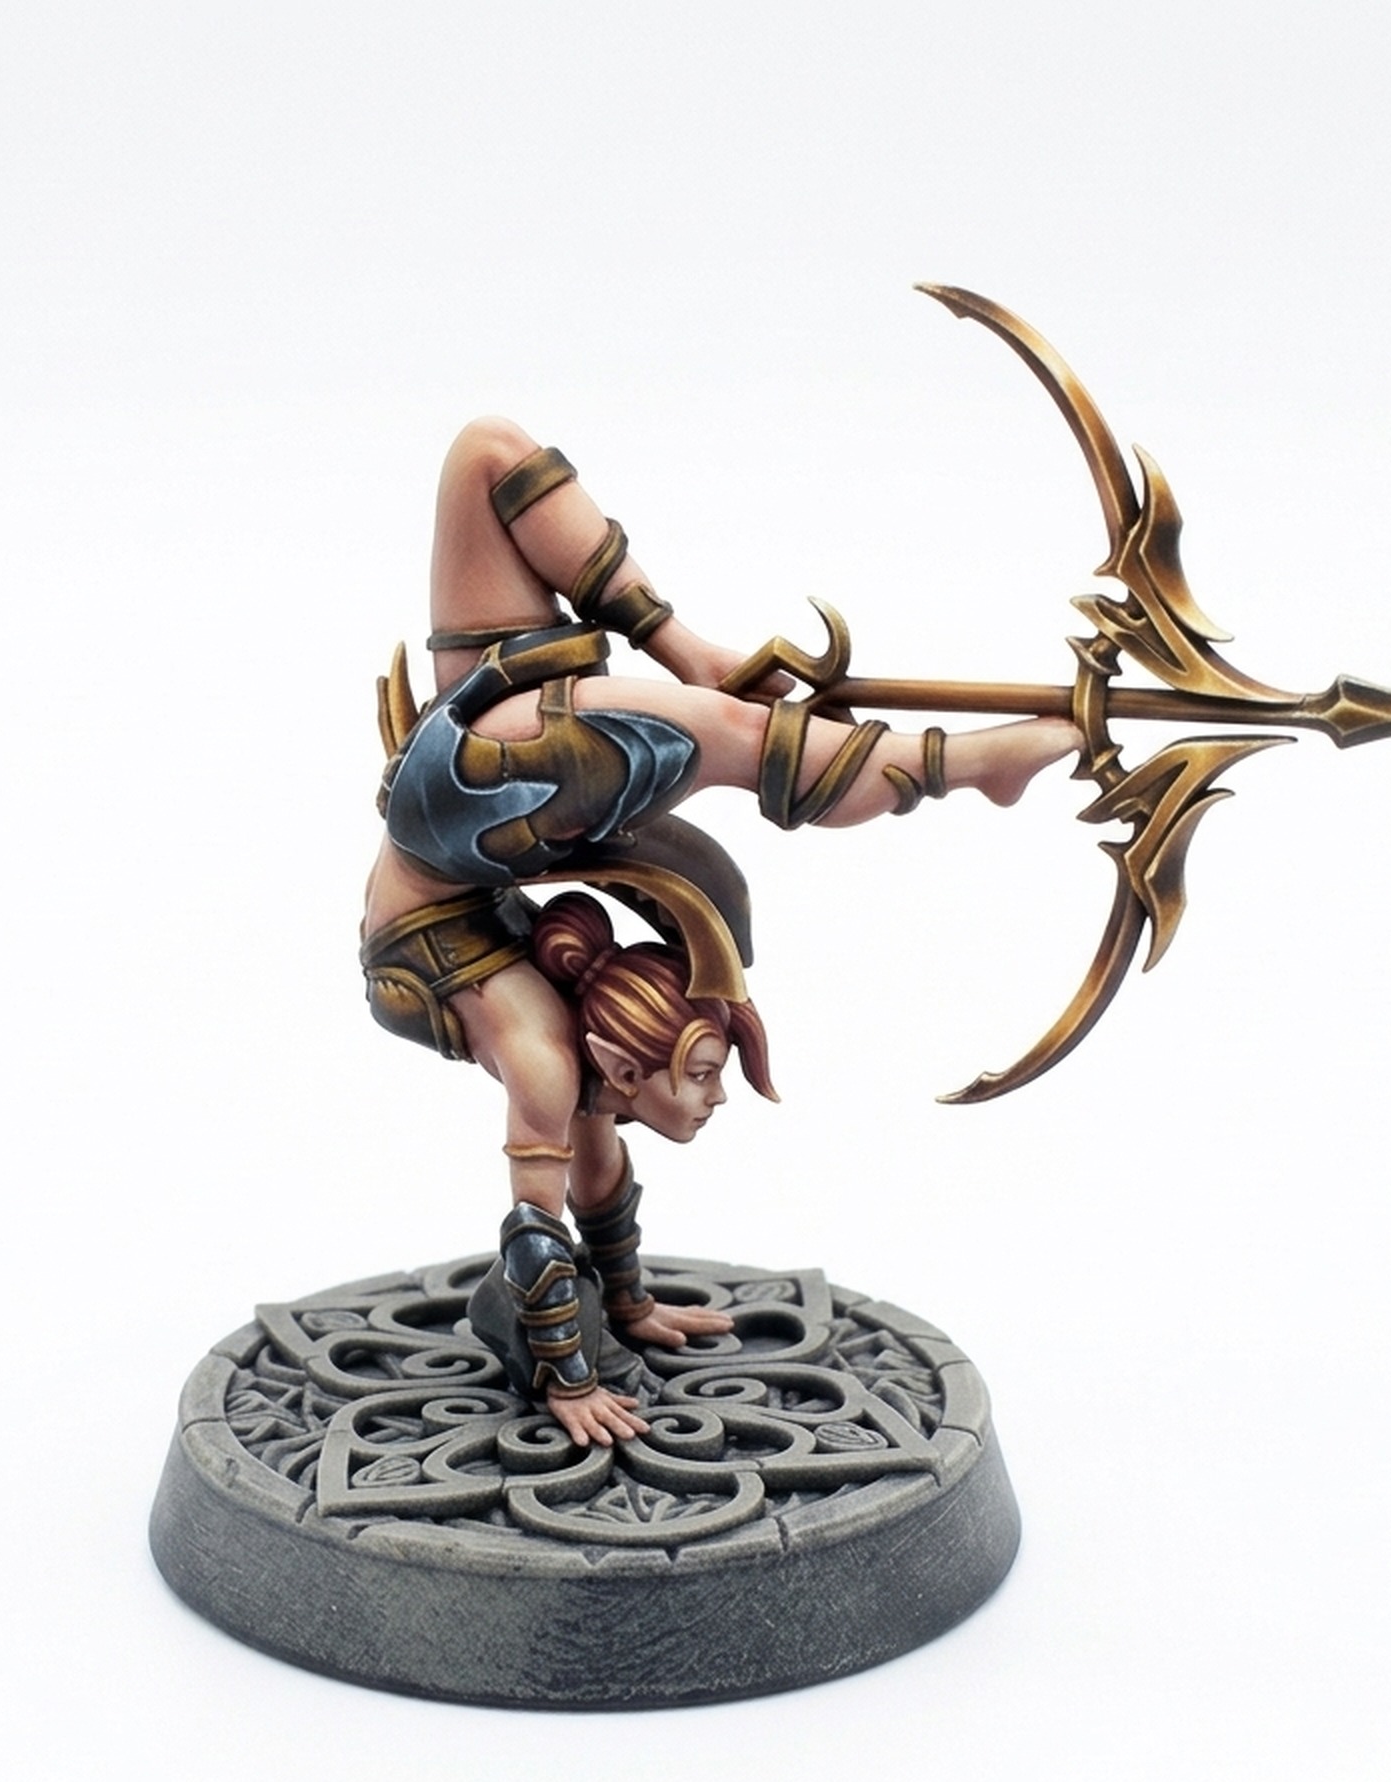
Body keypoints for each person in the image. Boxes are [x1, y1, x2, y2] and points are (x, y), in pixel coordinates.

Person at [360, 419, 1079, 1447]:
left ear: (619, 1060)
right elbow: (531, 1233)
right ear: (619, 1060)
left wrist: (628, 1304)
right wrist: (570, 1385)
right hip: (447, 850)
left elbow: (569, 1199)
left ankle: (923, 753)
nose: (715, 1094)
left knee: (489, 457)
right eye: (705, 1070)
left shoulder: (568, 1063)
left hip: (457, 824)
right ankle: (955, 765)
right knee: (728, 733)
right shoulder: (550, 1056)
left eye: (704, 1070)